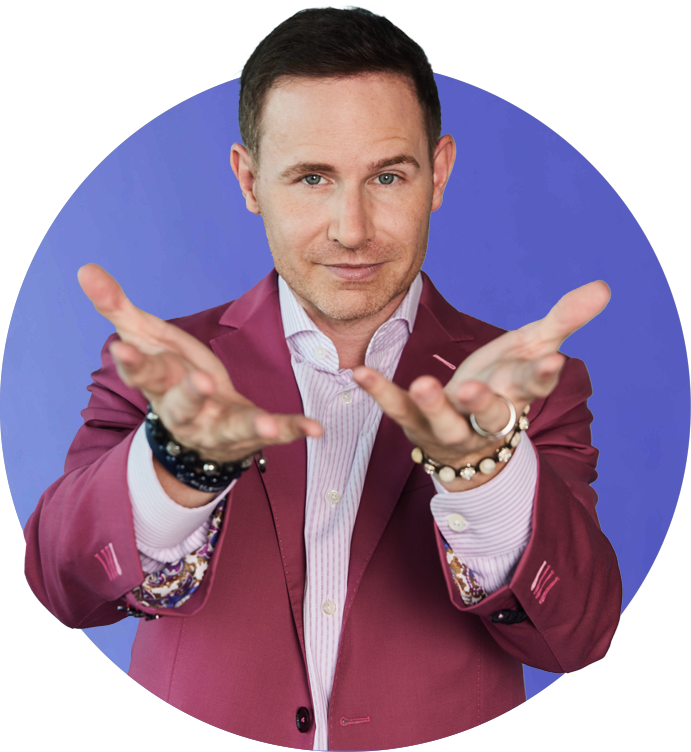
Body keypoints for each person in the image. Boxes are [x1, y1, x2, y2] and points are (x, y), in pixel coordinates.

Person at [23, 6, 621, 751]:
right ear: (250, 181)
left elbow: (577, 635)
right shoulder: (157, 369)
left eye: (387, 176)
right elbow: (63, 587)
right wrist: (177, 466)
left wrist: (485, 475)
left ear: (438, 174)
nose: (352, 228)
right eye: (312, 177)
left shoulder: (531, 387)